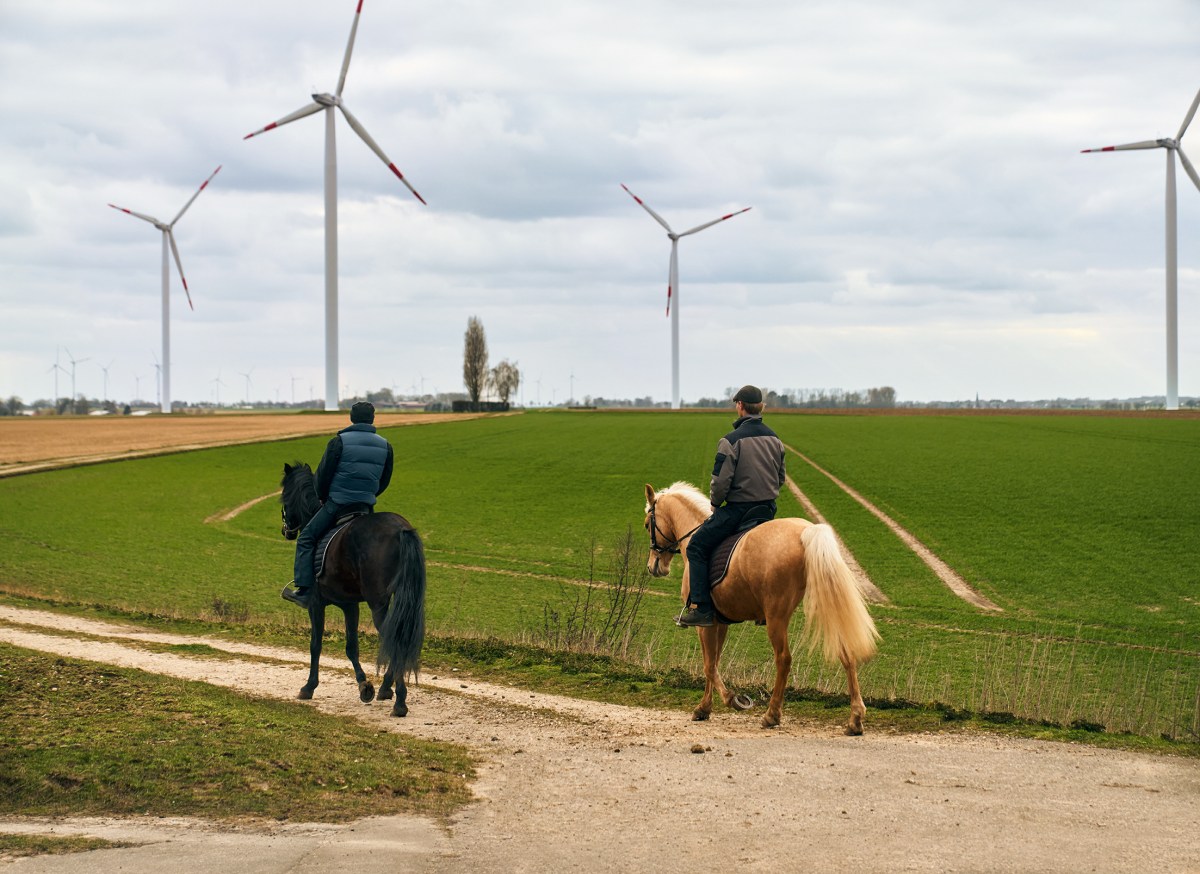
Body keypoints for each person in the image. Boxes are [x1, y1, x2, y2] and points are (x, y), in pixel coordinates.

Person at [676, 385, 786, 627]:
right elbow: (781, 478)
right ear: (761, 407)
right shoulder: (775, 438)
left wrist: (715, 504)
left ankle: (702, 608)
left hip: (738, 511)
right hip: (767, 511)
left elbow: (720, 483)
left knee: (696, 547)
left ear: (740, 406)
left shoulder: (730, 441)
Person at [282, 401, 394, 607]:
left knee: (306, 538)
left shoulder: (338, 442)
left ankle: (304, 591)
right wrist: (369, 494)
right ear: (372, 419)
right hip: (366, 506)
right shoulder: (386, 445)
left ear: (352, 418)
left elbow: (322, 477)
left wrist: (323, 497)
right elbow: (385, 480)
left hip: (338, 503)